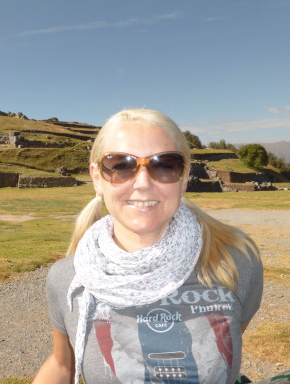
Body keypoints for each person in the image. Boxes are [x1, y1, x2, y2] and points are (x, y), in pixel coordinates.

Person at [33, 108, 263, 384]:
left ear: (185, 177)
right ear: (97, 177)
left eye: (164, 165)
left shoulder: (235, 263)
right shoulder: (67, 279)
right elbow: (62, 365)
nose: (142, 183)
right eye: (120, 165)